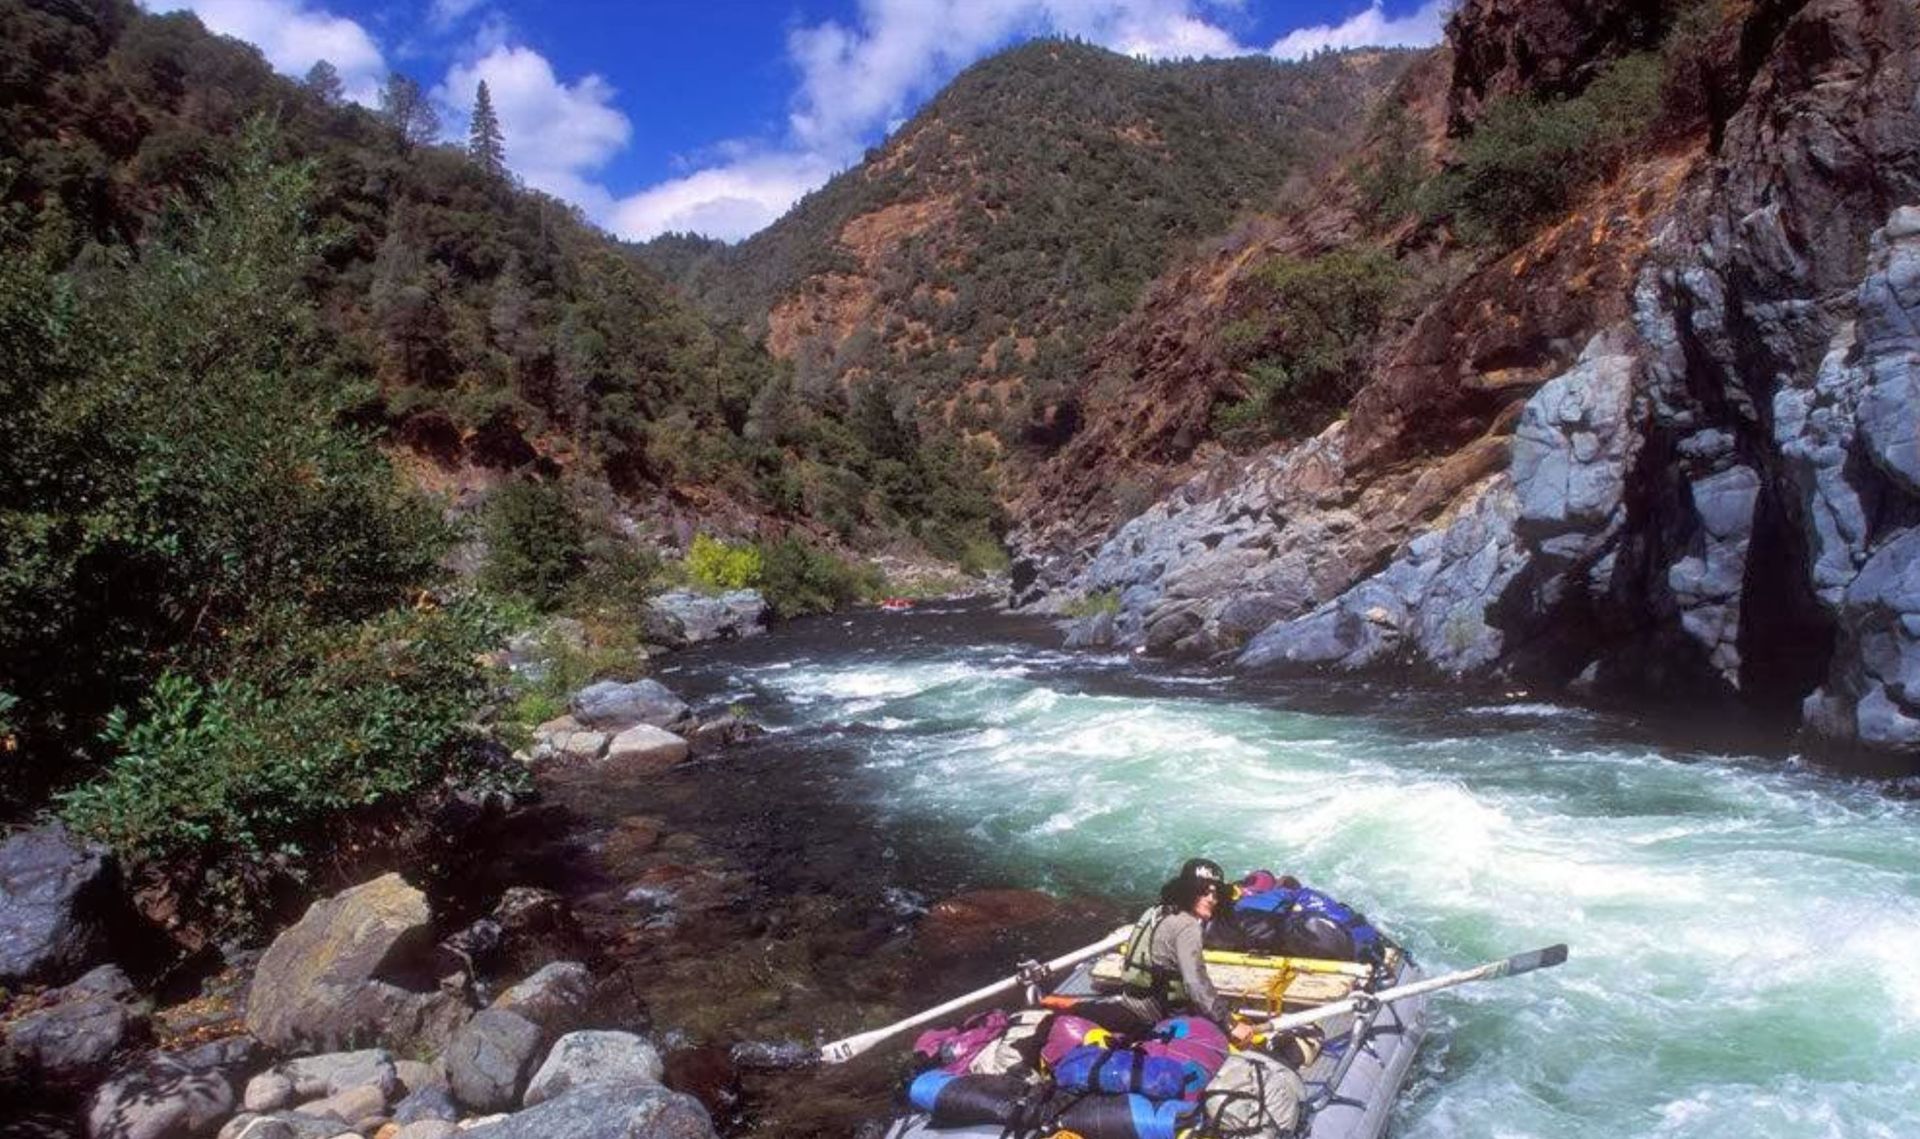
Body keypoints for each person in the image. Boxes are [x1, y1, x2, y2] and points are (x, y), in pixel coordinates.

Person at [1080, 859, 1256, 1045]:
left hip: (1131, 1003)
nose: (1211, 899)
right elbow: (1196, 985)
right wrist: (1229, 1024)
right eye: (1203, 891)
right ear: (1187, 891)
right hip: (1156, 1019)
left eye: (1215, 893)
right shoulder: (1187, 925)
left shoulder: (1154, 911)